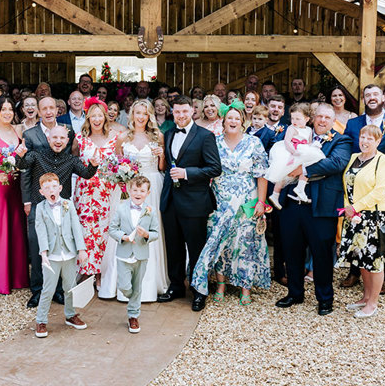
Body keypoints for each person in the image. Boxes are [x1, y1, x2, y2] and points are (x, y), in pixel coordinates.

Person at [275, 104, 352, 316]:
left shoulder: (341, 140)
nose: (322, 121)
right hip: (292, 204)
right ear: (313, 118)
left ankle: (325, 298)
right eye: (319, 116)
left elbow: (335, 163)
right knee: (292, 251)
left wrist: (303, 169)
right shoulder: (302, 135)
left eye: (327, 117)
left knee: (322, 255)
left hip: (321, 208)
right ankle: (295, 293)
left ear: (333, 120)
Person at [191, 102, 269, 305]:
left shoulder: (254, 143)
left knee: (245, 243)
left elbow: (262, 175)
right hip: (220, 201)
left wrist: (261, 202)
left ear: (243, 121)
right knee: (219, 241)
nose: (233, 121)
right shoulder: (213, 142)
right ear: (223, 121)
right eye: (229, 118)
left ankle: (245, 287)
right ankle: (220, 285)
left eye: (237, 118)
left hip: (246, 201)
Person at [16, 125, 99, 306]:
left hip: (62, 213)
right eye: (55, 138)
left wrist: (93, 164)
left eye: (62, 138)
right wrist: (20, 154)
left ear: (67, 141)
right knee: (38, 250)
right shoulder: (37, 155)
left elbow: (86, 174)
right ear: (48, 139)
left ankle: (59, 291)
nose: (58, 141)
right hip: (40, 211)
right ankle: (37, 292)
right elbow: (22, 165)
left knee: (62, 251)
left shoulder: (71, 160)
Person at [101, 100, 169, 302]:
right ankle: (119, 283)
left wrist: (162, 154)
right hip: (128, 188)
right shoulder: (123, 137)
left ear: (149, 116)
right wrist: (123, 180)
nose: (141, 117)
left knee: (147, 228)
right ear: (132, 115)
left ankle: (148, 285)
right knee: (125, 227)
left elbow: (162, 167)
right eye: (137, 113)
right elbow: (116, 165)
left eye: (145, 113)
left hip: (152, 185)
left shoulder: (158, 136)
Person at [159, 95, 222, 311]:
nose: (181, 115)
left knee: (196, 248)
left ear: (192, 111)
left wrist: (187, 173)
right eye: (177, 112)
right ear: (172, 113)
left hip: (195, 202)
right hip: (171, 200)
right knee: (173, 247)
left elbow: (215, 168)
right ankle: (176, 286)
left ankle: (198, 290)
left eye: (185, 111)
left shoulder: (205, 136)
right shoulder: (168, 134)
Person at [20, 96, 73, 307]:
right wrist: (26, 201)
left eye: (52, 107)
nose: (49, 111)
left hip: (61, 199)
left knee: (59, 243)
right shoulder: (29, 134)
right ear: (38, 111)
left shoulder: (67, 130)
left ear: (57, 109)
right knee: (37, 244)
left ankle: (58, 290)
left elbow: (71, 163)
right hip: (36, 198)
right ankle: (38, 290)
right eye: (45, 108)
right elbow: (24, 170)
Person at [337, 125, 385, 318]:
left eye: (371, 138)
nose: (365, 141)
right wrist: (348, 208)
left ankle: (373, 303)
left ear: (378, 141)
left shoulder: (382, 160)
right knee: (360, 258)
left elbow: (379, 191)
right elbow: (347, 186)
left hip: (373, 216)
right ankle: (365, 296)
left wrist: (356, 207)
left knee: (374, 261)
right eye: (363, 137)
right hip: (354, 216)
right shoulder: (354, 158)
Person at [0, 96, 29, 295]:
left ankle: (18, 278)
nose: (7, 112)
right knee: (0, 232)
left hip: (16, 187)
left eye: (10, 109)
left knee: (16, 231)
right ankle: (1, 282)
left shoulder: (19, 131)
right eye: (4, 109)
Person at [33, 173, 88, 338]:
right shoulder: (41, 208)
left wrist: (81, 249)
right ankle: (41, 320)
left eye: (54, 187)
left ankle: (70, 315)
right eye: (47, 187)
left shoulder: (68, 204)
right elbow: (40, 231)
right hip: (52, 255)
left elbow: (76, 228)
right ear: (41, 191)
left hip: (69, 253)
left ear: (60, 188)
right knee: (48, 289)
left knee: (69, 287)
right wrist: (44, 254)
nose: (51, 190)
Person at [72, 98, 119, 283]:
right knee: (86, 230)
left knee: (104, 231)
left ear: (105, 117)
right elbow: (74, 161)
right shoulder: (80, 139)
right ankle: (86, 270)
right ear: (88, 118)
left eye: (100, 115)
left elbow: (120, 162)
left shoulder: (115, 138)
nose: (97, 119)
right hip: (85, 191)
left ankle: (101, 271)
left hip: (107, 191)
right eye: (93, 116)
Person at [108, 176, 159, 333]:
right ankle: (131, 296)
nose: (138, 193)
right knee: (125, 286)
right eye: (135, 190)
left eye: (142, 191)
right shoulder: (122, 208)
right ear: (129, 190)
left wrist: (146, 235)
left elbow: (155, 232)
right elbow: (112, 229)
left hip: (141, 255)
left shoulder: (150, 211)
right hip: (124, 254)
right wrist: (123, 237)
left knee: (138, 286)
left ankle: (133, 316)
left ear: (148, 192)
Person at [266, 103, 325, 208]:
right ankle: (275, 194)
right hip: (291, 152)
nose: (294, 121)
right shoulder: (291, 128)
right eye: (293, 118)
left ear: (307, 119)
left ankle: (300, 188)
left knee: (307, 167)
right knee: (284, 174)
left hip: (303, 152)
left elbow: (309, 143)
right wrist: (293, 152)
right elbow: (287, 142)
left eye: (298, 119)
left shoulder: (309, 130)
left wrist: (313, 146)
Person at [345, 84, 385, 156]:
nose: (372, 98)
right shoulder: (352, 124)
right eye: (368, 95)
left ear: (383, 98)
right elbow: (345, 149)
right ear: (364, 100)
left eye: (375, 94)